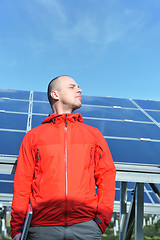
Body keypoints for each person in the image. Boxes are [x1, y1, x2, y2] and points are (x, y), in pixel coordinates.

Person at [10, 75, 116, 240]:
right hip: (42, 229)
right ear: (55, 94)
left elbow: (107, 177)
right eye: (72, 87)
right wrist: (17, 228)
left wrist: (101, 220)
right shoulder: (33, 137)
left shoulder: (93, 135)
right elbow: (22, 184)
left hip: (86, 227)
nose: (79, 90)